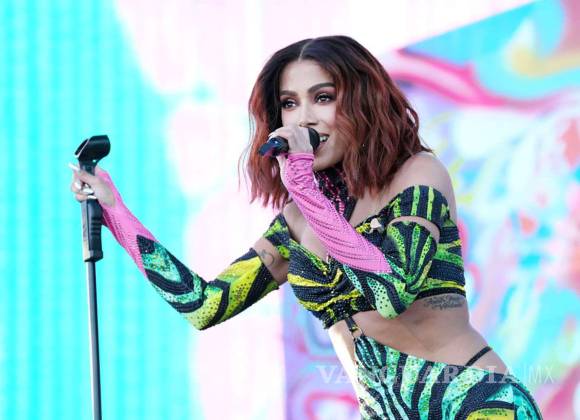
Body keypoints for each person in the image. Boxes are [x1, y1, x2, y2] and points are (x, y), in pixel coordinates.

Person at [70, 35, 542, 419]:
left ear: (363, 101)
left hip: (476, 404)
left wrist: (304, 188)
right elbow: (206, 304)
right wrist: (116, 211)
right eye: (290, 104)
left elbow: (391, 293)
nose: (304, 118)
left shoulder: (417, 175)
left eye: (323, 98)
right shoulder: (299, 219)